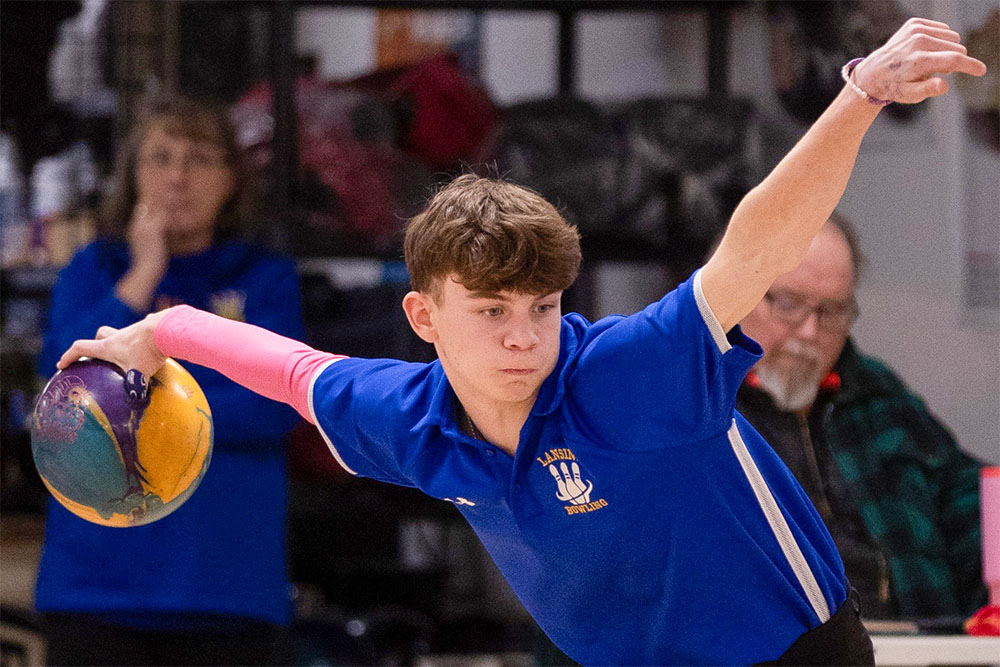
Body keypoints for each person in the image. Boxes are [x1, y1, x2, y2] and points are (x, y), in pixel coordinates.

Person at [56, 19, 986, 666]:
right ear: (425, 318)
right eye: (492, 312)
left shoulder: (626, 372)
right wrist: (157, 330)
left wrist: (860, 93)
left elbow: (753, 242)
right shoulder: (407, 417)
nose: (523, 337)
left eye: (541, 307)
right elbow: (293, 371)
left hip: (787, 655)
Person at [36, 94, 305, 665]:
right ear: (132, 177)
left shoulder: (265, 278)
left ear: (232, 179)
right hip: (95, 586)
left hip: (227, 587)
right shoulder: (94, 268)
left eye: (199, 159)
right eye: (160, 158)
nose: (178, 177)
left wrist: (133, 410)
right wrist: (143, 274)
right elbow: (59, 394)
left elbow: (277, 403)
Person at [735, 212, 986, 621]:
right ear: (737, 292)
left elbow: (967, 497)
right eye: (788, 304)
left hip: (919, 648)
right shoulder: (699, 410)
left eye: (832, 312)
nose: (810, 333)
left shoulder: (876, 394)